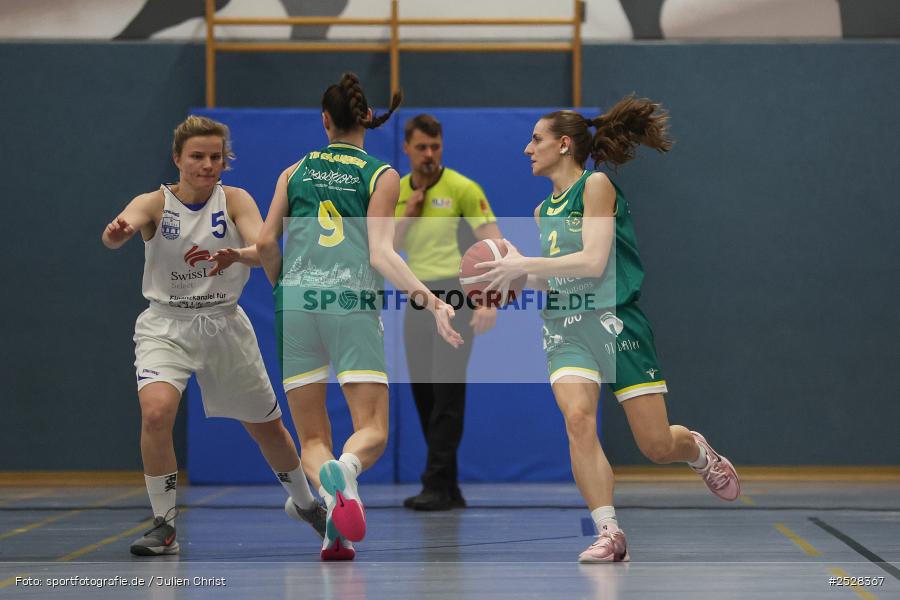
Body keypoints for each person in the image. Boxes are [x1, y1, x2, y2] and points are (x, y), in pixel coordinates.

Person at [477, 95, 741, 563]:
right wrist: (515, 279)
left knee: (657, 445)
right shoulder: (543, 212)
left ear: (562, 145)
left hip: (616, 322)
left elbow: (594, 262)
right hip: (565, 327)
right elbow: (554, 273)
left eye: (535, 140)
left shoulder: (596, 186)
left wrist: (524, 262)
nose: (526, 149)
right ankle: (609, 532)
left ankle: (698, 451)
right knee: (577, 420)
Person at [256, 73, 462, 561]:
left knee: (310, 437)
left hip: (297, 304)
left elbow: (265, 244)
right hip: (350, 304)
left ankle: (336, 527)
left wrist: (284, 288)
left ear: (324, 120)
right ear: (367, 118)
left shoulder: (294, 171)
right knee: (371, 428)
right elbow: (381, 253)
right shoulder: (380, 174)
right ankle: (347, 471)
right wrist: (430, 300)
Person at [101, 115, 326, 557]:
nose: (207, 165)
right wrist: (117, 233)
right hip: (165, 326)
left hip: (223, 325)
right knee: (156, 413)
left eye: (215, 157)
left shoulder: (235, 200)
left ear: (225, 161)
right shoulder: (155, 203)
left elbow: (265, 250)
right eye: (197, 157)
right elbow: (121, 228)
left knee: (268, 429)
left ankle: (305, 503)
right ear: (178, 159)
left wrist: (236, 255)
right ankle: (164, 526)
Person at [393, 114, 502, 511]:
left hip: (454, 295)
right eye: (421, 147)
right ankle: (449, 485)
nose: (429, 155)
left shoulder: (462, 189)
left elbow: (493, 245)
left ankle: (436, 483)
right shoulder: (399, 191)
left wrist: (488, 300)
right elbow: (388, 247)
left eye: (435, 146)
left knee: (447, 391)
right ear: (406, 148)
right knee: (425, 394)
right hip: (417, 297)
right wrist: (411, 211)